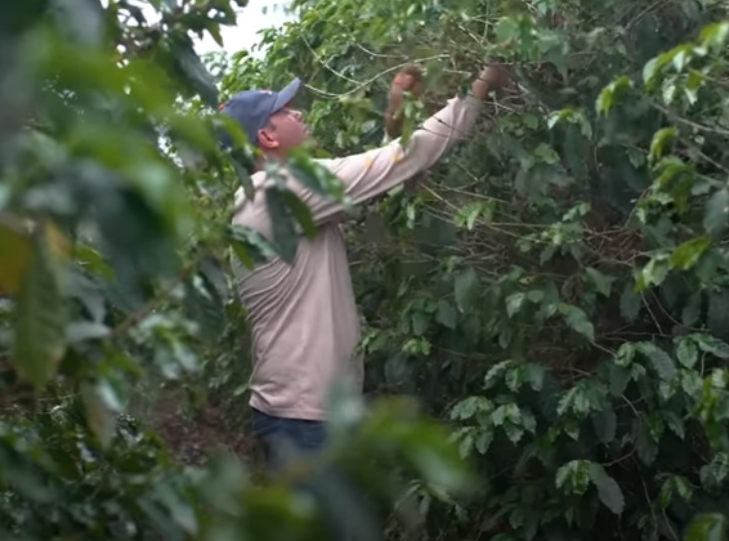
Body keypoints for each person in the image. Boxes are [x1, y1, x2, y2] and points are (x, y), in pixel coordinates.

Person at [219, 63, 511, 467]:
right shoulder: (283, 191)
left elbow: (377, 187)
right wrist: (481, 85)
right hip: (305, 418)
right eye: (285, 111)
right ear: (267, 137)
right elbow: (406, 160)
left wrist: (396, 127)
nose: (299, 114)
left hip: (294, 411)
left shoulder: (270, 197)